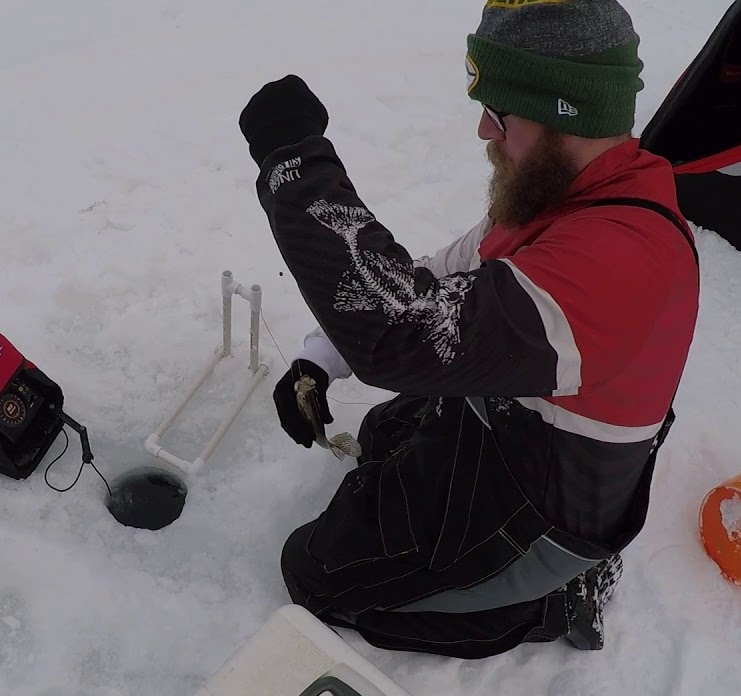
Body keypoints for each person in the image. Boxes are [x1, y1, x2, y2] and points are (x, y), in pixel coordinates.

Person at [237, 0, 700, 659]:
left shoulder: (613, 262)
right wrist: (321, 359)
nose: (485, 129)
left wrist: (294, 164)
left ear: (562, 108)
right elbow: (431, 283)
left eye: (501, 112)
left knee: (317, 574)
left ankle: (548, 599)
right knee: (382, 435)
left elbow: (401, 329)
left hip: (548, 508)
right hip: (520, 423)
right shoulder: (567, 193)